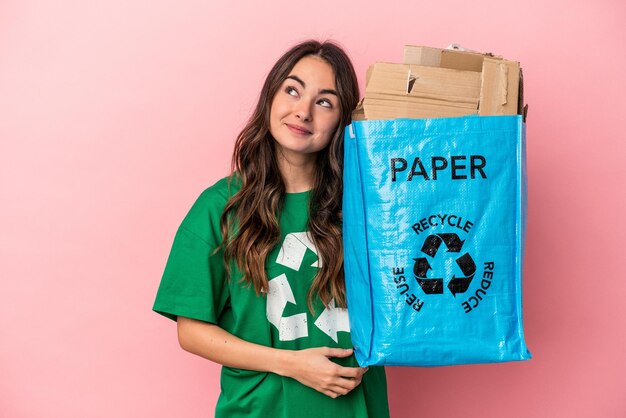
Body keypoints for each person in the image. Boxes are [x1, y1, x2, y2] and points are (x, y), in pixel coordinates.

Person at [152, 40, 390, 418]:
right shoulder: (220, 206)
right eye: (292, 90)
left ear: (342, 121)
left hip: (356, 409)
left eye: (324, 101)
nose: (303, 111)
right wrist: (293, 364)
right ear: (270, 98)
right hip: (259, 410)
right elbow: (191, 331)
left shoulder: (370, 205)